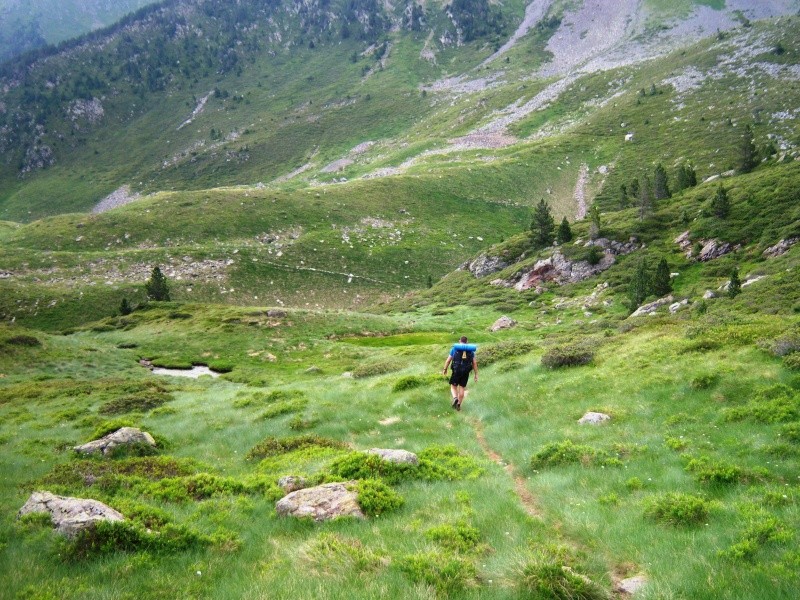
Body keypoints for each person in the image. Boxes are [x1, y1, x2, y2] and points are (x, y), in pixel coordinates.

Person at [442, 336, 478, 411]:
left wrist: (445, 369)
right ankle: (459, 404)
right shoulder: (471, 351)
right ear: (467, 342)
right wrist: (476, 374)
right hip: (466, 372)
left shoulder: (454, 349)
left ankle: (455, 398)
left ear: (459, 341)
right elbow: (474, 363)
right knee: (462, 387)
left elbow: (448, 360)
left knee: (453, 386)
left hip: (456, 371)